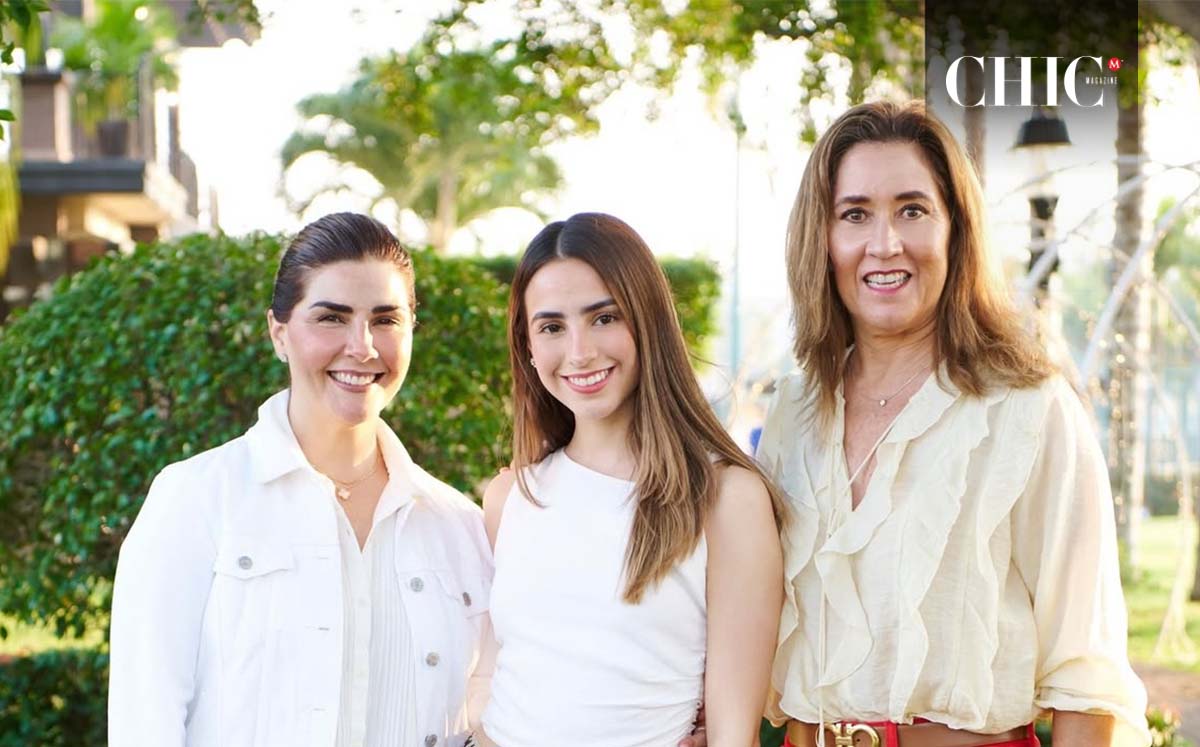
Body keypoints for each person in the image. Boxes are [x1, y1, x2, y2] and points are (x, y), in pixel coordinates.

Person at [757, 101, 1150, 747]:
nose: (885, 243)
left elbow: (1087, 677)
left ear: (956, 230)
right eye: (854, 214)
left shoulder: (1030, 407)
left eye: (913, 210)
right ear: (821, 239)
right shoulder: (793, 413)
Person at [108, 213, 491, 747]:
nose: (362, 346)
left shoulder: (460, 526)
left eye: (386, 319)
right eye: (331, 318)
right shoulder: (195, 499)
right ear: (279, 333)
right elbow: (143, 722)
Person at [472, 212, 785, 747]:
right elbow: (498, 677)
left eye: (603, 318)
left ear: (648, 322)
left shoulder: (725, 498)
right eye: (551, 327)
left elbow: (735, 735)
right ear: (528, 345)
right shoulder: (510, 498)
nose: (579, 352)